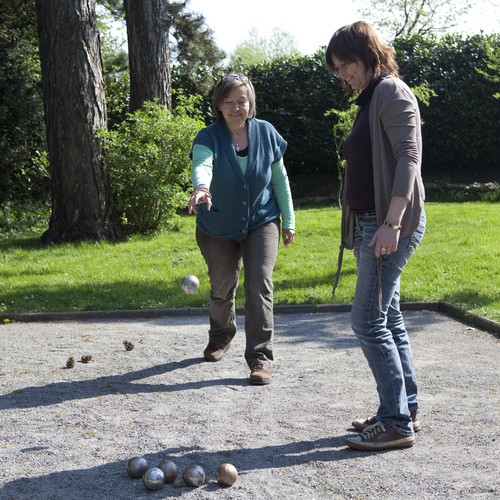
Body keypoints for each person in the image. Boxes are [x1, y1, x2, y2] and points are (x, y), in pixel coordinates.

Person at [325, 21, 426, 451]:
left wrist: (392, 221)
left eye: (345, 63)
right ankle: (404, 406)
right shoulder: (371, 98)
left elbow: (409, 158)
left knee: (367, 320)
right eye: (336, 68)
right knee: (390, 319)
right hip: (375, 223)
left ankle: (396, 424)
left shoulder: (391, 91)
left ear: (368, 55)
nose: (342, 74)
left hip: (388, 225)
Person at [187, 73, 295, 386]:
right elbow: (202, 163)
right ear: (219, 105)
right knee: (222, 285)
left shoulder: (266, 133)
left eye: (242, 101)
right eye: (230, 101)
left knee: (260, 283)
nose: (237, 107)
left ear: (251, 104)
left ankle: (260, 358)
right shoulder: (208, 136)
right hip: (216, 223)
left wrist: (288, 220)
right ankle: (220, 336)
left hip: (262, 220)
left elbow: (279, 179)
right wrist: (201, 187)